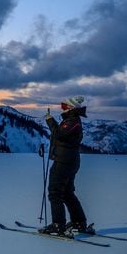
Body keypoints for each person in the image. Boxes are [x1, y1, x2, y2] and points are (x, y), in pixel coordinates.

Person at [38, 96, 95, 237]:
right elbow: (61, 135)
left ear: (71, 108)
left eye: (64, 106)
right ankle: (78, 222)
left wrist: (50, 121)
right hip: (70, 161)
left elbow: (59, 135)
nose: (62, 108)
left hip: (64, 162)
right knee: (67, 193)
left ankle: (58, 225)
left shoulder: (72, 121)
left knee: (55, 192)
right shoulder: (71, 120)